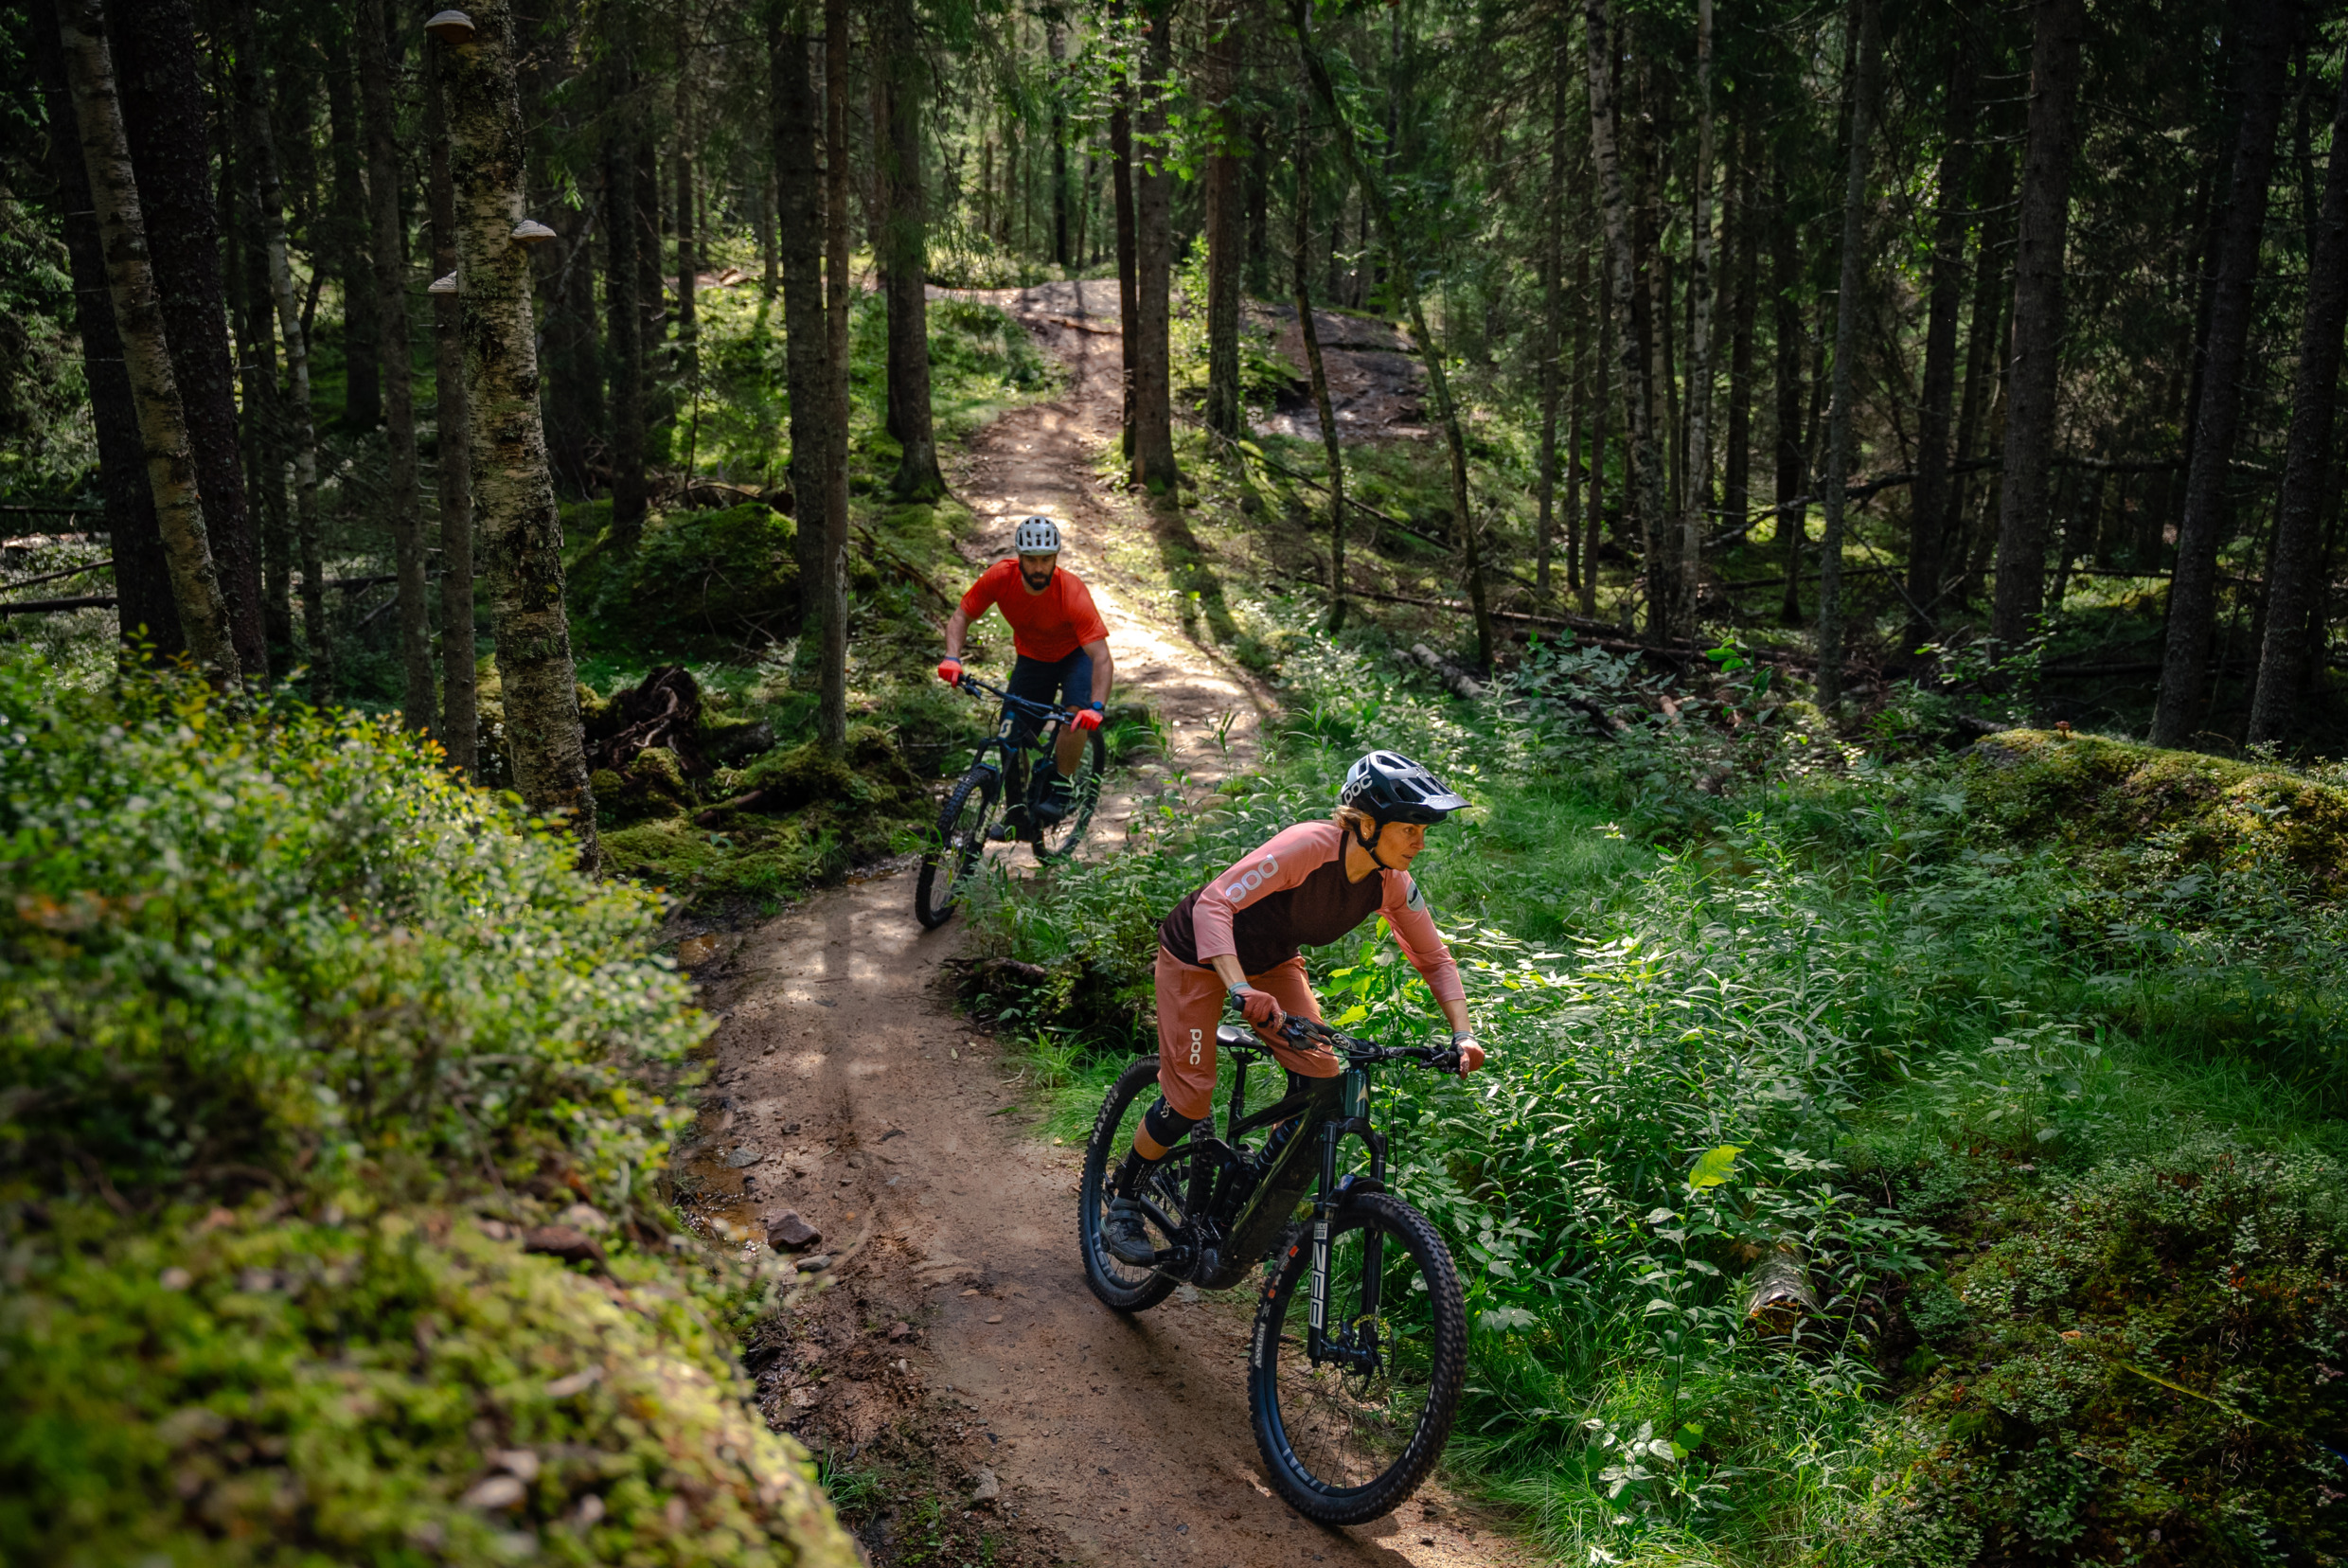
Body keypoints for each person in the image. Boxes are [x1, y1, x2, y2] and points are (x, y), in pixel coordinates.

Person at [1101, 750, 1485, 1266]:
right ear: (1367, 824)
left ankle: (1252, 1202)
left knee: (1324, 1087)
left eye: (1423, 830)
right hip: (1198, 954)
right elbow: (1215, 903)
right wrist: (1238, 990)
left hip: (1271, 962)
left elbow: (1434, 958)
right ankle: (1123, 1198)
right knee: (1191, 1098)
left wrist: (1463, 1035)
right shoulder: (1309, 847)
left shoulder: (1390, 881)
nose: (1420, 841)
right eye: (1411, 828)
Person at [938, 516, 1114, 830]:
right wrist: (952, 658)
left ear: (1055, 559)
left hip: (1076, 657)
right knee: (1009, 735)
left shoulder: (1071, 592)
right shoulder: (999, 578)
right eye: (1031, 559)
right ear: (1019, 557)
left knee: (1074, 718)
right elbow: (961, 617)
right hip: (1032, 658)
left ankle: (1061, 788)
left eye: (1045, 560)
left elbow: (1100, 657)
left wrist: (1096, 706)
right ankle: (1017, 815)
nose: (1037, 568)